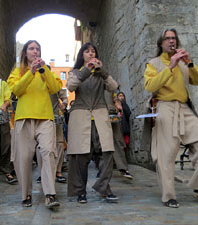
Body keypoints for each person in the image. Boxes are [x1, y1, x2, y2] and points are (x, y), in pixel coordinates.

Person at [144, 28, 198, 208]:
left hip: (184, 108)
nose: (171, 41)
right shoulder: (153, 63)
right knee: (166, 154)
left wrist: (189, 63)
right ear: (161, 43)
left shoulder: (184, 63)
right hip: (164, 107)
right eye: (167, 38)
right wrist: (170, 66)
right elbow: (150, 85)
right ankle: (169, 195)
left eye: (174, 38)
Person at [7, 40, 62, 209]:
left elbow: (54, 88)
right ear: (25, 53)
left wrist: (44, 69)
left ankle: (50, 194)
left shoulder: (46, 71)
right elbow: (16, 90)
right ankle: (26, 194)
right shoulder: (17, 72)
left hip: (45, 117)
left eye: (38, 48)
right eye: (31, 48)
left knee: (48, 153)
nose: (35, 51)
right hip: (23, 118)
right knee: (23, 158)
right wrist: (30, 72)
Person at [66, 42, 119, 204]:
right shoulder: (75, 72)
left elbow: (113, 87)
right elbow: (71, 86)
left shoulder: (100, 74)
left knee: (107, 153)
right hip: (81, 117)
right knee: (80, 156)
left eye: (93, 51)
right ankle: (80, 191)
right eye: (87, 51)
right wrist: (86, 70)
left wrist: (102, 72)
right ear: (82, 55)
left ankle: (103, 187)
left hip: (100, 115)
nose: (91, 54)